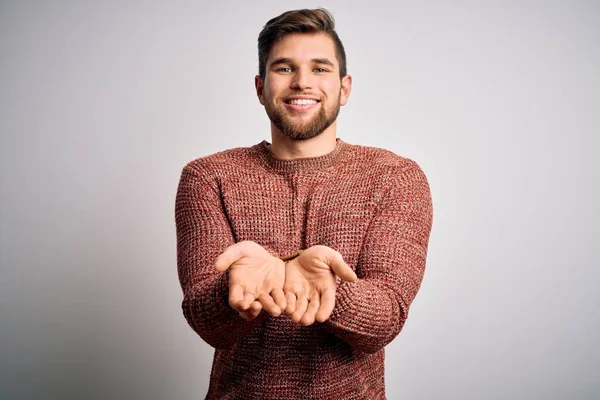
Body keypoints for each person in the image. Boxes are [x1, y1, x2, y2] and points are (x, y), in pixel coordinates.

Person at [175, 8, 433, 399]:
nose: (301, 83)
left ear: (344, 88)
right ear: (260, 87)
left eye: (319, 69)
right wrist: (236, 284)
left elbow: (386, 319)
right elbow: (206, 323)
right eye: (284, 68)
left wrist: (323, 287)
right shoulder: (207, 177)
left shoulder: (394, 177)